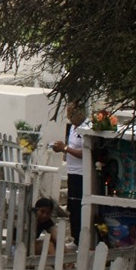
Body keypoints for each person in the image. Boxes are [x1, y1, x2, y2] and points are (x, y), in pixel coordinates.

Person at [51, 101, 86, 244]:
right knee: (72, 206)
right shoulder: (72, 128)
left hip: (81, 173)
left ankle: (81, 238)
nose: (69, 117)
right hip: (72, 170)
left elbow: (84, 152)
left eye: (72, 114)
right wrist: (61, 149)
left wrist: (65, 148)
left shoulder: (86, 128)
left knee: (79, 206)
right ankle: (75, 236)